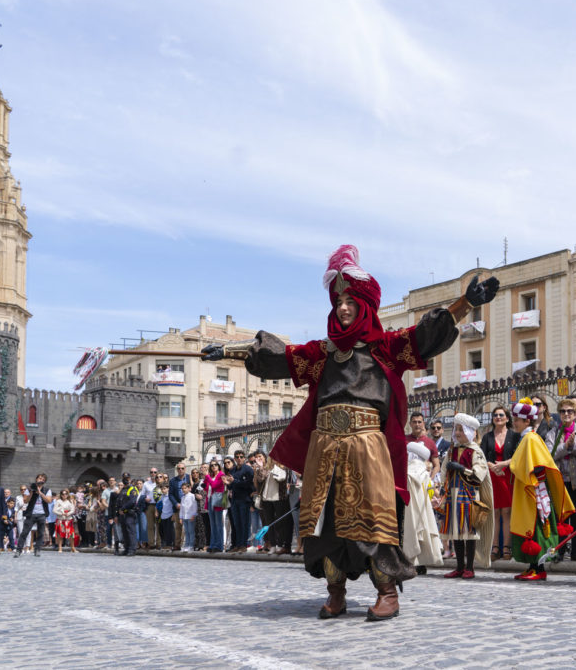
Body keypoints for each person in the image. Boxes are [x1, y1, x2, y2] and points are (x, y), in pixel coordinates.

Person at [205, 244, 499, 621]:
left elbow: (425, 334)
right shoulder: (322, 352)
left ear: (365, 305)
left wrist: (464, 303)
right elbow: (281, 356)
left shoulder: (385, 347)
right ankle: (336, 591)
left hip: (367, 446)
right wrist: (230, 351)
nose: (343, 307)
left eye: (350, 300)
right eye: (338, 300)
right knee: (324, 522)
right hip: (324, 447)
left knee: (373, 521)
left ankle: (387, 592)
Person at [508, 398, 576, 581]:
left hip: (535, 491)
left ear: (526, 421)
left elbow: (537, 465)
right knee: (532, 527)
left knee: (537, 528)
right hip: (528, 489)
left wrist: (517, 468)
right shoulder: (526, 438)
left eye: (517, 420)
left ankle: (538, 567)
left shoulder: (530, 438)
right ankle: (532, 566)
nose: (514, 423)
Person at [439, 413, 494, 579]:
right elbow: (443, 470)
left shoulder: (475, 452)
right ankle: (459, 567)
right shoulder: (451, 450)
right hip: (453, 494)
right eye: (456, 429)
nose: (456, 433)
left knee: (469, 532)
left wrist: (462, 469)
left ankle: (470, 567)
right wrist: (443, 485)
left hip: (469, 494)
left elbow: (480, 473)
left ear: (470, 432)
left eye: (460, 430)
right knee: (455, 531)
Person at [547, 398, 576, 561]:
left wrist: (573, 446)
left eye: (570, 411)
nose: (566, 414)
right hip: (560, 481)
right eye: (563, 411)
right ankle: (560, 549)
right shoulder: (553, 433)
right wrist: (565, 447)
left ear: (575, 414)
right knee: (561, 518)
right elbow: (550, 455)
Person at [480, 406, 519, 561]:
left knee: (507, 512)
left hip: (508, 475)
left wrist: (503, 464)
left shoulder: (515, 436)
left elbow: (517, 455)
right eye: (495, 415)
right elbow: (482, 456)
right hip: (492, 476)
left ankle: (507, 547)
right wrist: (494, 467)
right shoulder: (487, 436)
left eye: (501, 415)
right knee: (494, 513)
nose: (498, 417)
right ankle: (495, 547)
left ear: (507, 418)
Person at [403, 434, 443, 573]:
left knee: (409, 532)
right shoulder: (423, 471)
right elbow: (431, 489)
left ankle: (409, 561)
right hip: (422, 509)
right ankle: (421, 563)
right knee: (423, 532)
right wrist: (438, 497)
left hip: (408, 507)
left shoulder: (405, 471)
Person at [15, 474, 53, 558]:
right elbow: (25, 501)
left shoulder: (47, 490)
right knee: (24, 532)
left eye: (43, 479)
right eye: (39, 478)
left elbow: (49, 500)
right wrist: (32, 492)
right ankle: (19, 550)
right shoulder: (29, 489)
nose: (41, 480)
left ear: (44, 481)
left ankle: (37, 549)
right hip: (31, 514)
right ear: (36, 479)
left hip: (42, 514)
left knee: (40, 533)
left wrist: (40, 493)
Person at [226, 451, 254, 552]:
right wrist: (228, 483)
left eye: (241, 457)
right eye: (237, 457)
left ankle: (244, 544)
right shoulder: (233, 470)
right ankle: (237, 544)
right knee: (236, 523)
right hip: (234, 499)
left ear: (244, 458)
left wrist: (234, 481)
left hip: (244, 499)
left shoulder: (248, 470)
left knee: (244, 523)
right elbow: (231, 485)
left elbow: (248, 484)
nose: (239, 459)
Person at [406, 412, 439, 479]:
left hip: (424, 481)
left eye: (419, 422)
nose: (417, 424)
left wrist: (430, 480)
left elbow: (437, 465)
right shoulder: (404, 441)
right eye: (414, 422)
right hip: (408, 480)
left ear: (423, 423)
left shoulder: (430, 443)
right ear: (410, 424)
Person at [203, 460, 226, 553]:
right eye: (211, 465)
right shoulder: (211, 476)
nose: (213, 466)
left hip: (218, 500)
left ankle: (219, 545)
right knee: (212, 524)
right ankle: (212, 544)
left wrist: (207, 476)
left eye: (215, 465)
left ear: (219, 466)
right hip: (210, 500)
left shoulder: (221, 475)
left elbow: (214, 485)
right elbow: (206, 487)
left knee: (218, 524)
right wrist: (206, 478)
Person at [169, 464, 190, 552]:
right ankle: (177, 544)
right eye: (179, 468)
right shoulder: (173, 480)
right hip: (178, 507)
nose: (180, 470)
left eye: (182, 468)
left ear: (185, 469)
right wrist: (176, 503)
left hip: (189, 506)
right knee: (178, 526)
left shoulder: (189, 478)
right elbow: (170, 494)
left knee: (189, 526)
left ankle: (189, 544)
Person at [118, 475, 141, 556]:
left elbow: (132, 501)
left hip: (130, 513)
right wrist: (119, 510)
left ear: (130, 479)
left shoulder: (133, 489)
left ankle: (132, 549)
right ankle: (126, 548)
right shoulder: (123, 489)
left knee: (131, 532)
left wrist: (123, 509)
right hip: (122, 514)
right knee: (125, 532)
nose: (125, 480)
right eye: (124, 478)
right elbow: (119, 500)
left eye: (127, 478)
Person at [140, 467, 159, 550]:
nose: (153, 474)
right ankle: (151, 543)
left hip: (158, 505)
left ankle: (159, 543)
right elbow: (142, 495)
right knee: (150, 525)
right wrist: (145, 498)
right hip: (149, 505)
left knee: (158, 525)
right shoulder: (146, 484)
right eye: (151, 472)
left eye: (155, 472)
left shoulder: (159, 483)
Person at [54, 489, 77, 553]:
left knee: (71, 534)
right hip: (61, 519)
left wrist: (68, 513)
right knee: (60, 534)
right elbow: (54, 510)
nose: (64, 495)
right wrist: (61, 513)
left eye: (66, 494)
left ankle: (72, 547)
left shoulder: (70, 501)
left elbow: (73, 509)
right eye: (63, 494)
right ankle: (60, 547)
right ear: (61, 495)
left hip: (68, 519)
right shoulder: (58, 501)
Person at [179, 482, 198, 552]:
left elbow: (194, 506)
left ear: (189, 488)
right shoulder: (182, 497)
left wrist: (194, 514)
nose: (183, 490)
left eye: (185, 488)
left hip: (190, 516)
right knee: (186, 531)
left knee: (191, 531)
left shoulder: (192, 496)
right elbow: (181, 508)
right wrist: (180, 517)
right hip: (184, 517)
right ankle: (186, 545)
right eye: (182, 488)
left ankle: (191, 545)